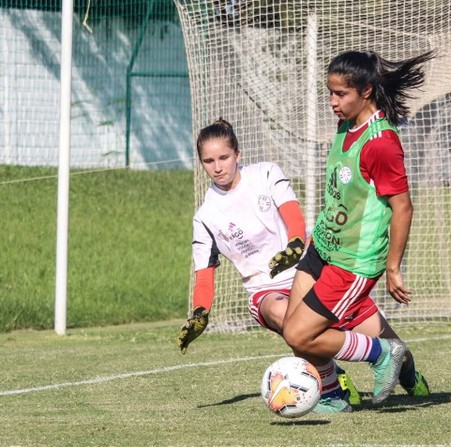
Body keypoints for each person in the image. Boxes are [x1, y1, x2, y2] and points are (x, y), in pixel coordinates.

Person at [175, 118, 360, 413]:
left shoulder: (265, 174)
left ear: (238, 153)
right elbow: (204, 274)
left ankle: (396, 364)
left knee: (379, 335)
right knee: (287, 318)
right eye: (209, 161)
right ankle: (331, 387)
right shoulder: (205, 216)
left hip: (306, 270)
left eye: (223, 157)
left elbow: (292, 214)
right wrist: (200, 312)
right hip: (264, 290)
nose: (217, 166)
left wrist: (296, 243)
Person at [282, 50, 434, 407]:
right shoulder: (345, 125)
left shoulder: (381, 143)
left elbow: (403, 207)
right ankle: (407, 376)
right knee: (295, 332)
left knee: (300, 334)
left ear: (366, 91)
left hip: (352, 261)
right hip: (322, 247)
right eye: (330, 93)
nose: (333, 102)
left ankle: (380, 357)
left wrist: (393, 268)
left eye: (341, 94)